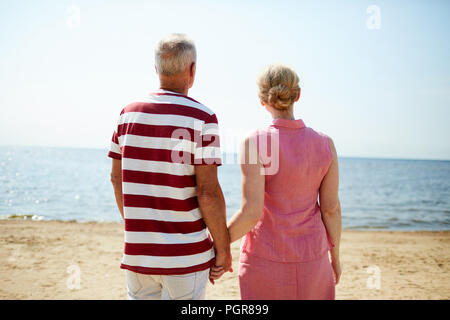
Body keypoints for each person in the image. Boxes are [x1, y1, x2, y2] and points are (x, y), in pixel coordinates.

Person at [108, 33, 231, 300]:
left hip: (139, 254)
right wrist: (223, 249)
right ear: (192, 70)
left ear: (157, 69)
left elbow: (117, 180)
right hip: (185, 258)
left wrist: (138, 228)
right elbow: (207, 192)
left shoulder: (127, 114)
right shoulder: (203, 117)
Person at [211, 64, 342, 300]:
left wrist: (221, 245)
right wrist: (336, 257)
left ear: (262, 100)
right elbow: (331, 210)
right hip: (313, 258)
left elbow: (251, 212)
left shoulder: (255, 142)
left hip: (264, 259)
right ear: (298, 95)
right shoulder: (325, 144)